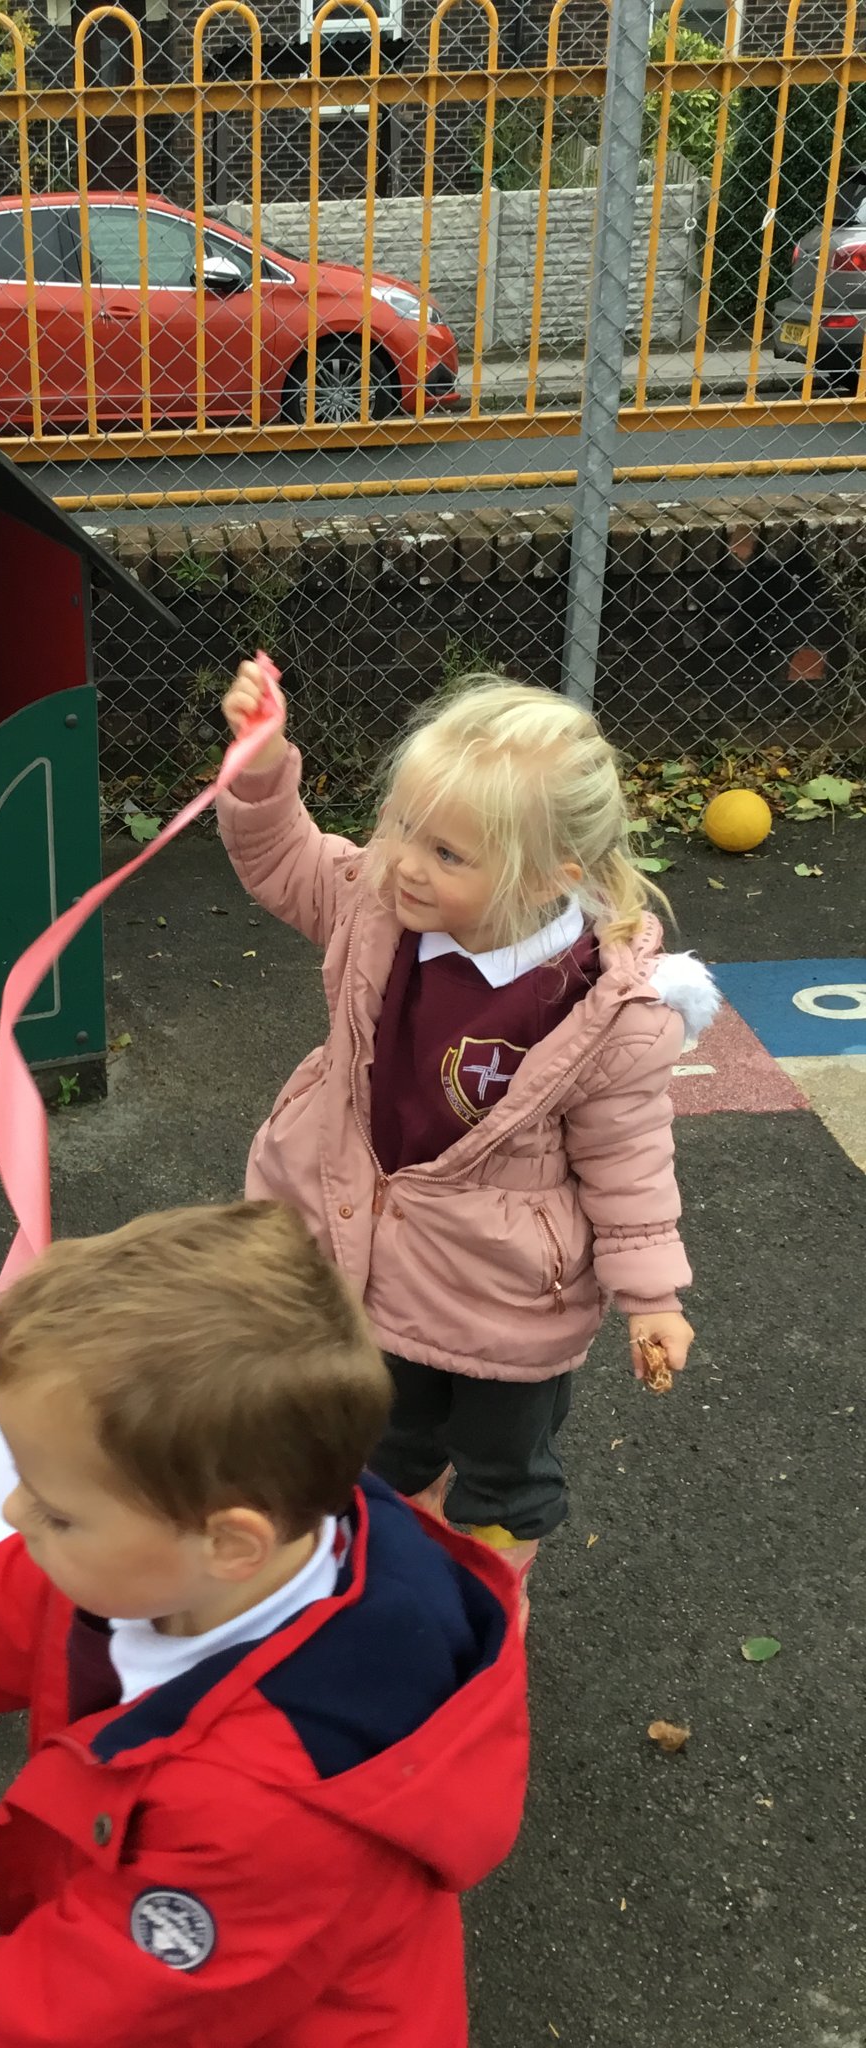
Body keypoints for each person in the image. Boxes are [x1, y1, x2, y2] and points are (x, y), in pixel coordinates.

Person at [0, 1201, 528, 2048]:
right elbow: (8, 1608)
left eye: (54, 1509)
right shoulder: (190, 1545)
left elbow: (84, 2006)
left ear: (231, 1541)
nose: (16, 1513)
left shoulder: (264, 1815)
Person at [214, 664, 720, 1611]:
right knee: (381, 1437)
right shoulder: (376, 906)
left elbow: (629, 1161)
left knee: (502, 1466)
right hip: (366, 1247)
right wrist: (263, 763)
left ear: (550, 878)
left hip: (502, 1293)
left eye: (447, 853)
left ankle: (488, 1595)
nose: (404, 860)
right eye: (401, 824)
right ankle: (387, 1570)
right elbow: (282, 857)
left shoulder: (605, 1013)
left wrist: (653, 1297)